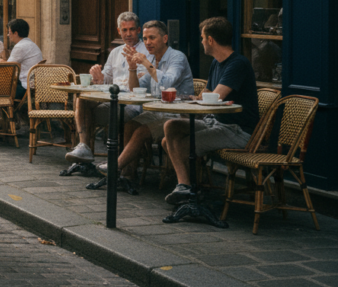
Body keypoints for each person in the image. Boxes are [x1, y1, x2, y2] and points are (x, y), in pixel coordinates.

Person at [161, 17, 259, 204]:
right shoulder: (216, 62)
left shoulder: (237, 64)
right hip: (216, 123)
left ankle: (188, 189)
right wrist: (188, 99)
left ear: (211, 40)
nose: (202, 42)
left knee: (178, 146)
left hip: (237, 130)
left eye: (202, 38)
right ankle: (188, 187)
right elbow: (206, 94)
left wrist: (200, 101)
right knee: (171, 127)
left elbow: (216, 98)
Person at [97, 20, 195, 178]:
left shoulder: (177, 57)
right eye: (146, 38)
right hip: (159, 112)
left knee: (141, 131)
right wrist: (132, 68)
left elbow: (168, 82)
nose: (148, 42)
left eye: (152, 38)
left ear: (164, 39)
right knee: (130, 125)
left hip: (178, 114)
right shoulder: (153, 60)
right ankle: (127, 174)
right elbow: (135, 89)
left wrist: (145, 63)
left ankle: (115, 168)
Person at [65, 12, 150, 163]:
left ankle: (115, 164)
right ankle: (84, 146)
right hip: (112, 101)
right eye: (124, 30)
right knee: (82, 99)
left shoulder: (147, 52)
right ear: (119, 31)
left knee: (87, 112)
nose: (128, 34)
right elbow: (106, 79)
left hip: (132, 106)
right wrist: (98, 76)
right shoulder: (116, 52)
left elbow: (144, 85)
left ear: (138, 30)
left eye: (131, 29)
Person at [2, 18, 43, 99]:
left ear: (15, 33)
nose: (8, 35)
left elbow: (7, 67)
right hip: (35, 86)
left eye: (9, 32)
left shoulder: (20, 46)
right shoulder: (30, 44)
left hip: (25, 88)